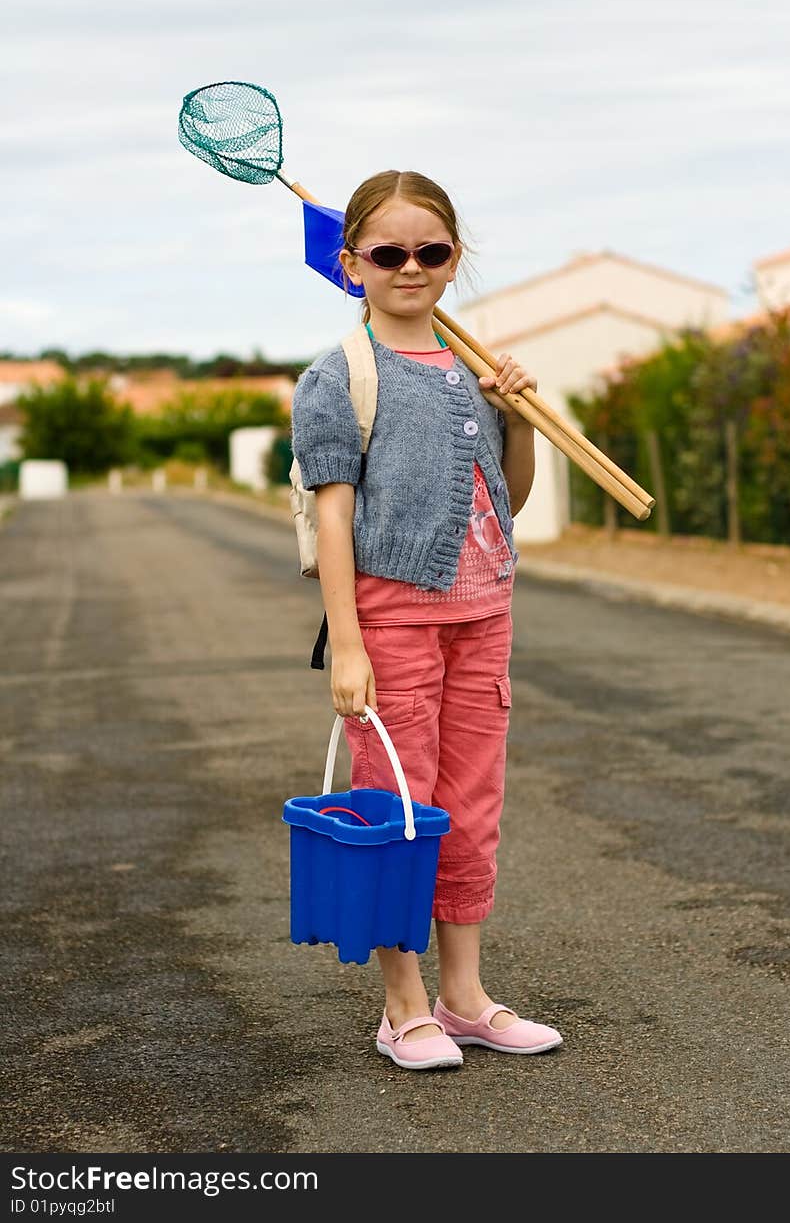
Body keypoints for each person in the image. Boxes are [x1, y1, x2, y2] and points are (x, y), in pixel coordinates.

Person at [291, 169, 562, 1070]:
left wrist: (515, 417)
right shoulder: (338, 376)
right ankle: (402, 1007)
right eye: (389, 252)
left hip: (486, 613)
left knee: (472, 807)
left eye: (431, 251)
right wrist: (349, 646)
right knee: (400, 812)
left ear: (454, 262)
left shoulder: (477, 372)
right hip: (392, 622)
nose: (411, 266)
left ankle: (467, 998)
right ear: (351, 262)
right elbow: (334, 513)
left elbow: (509, 504)